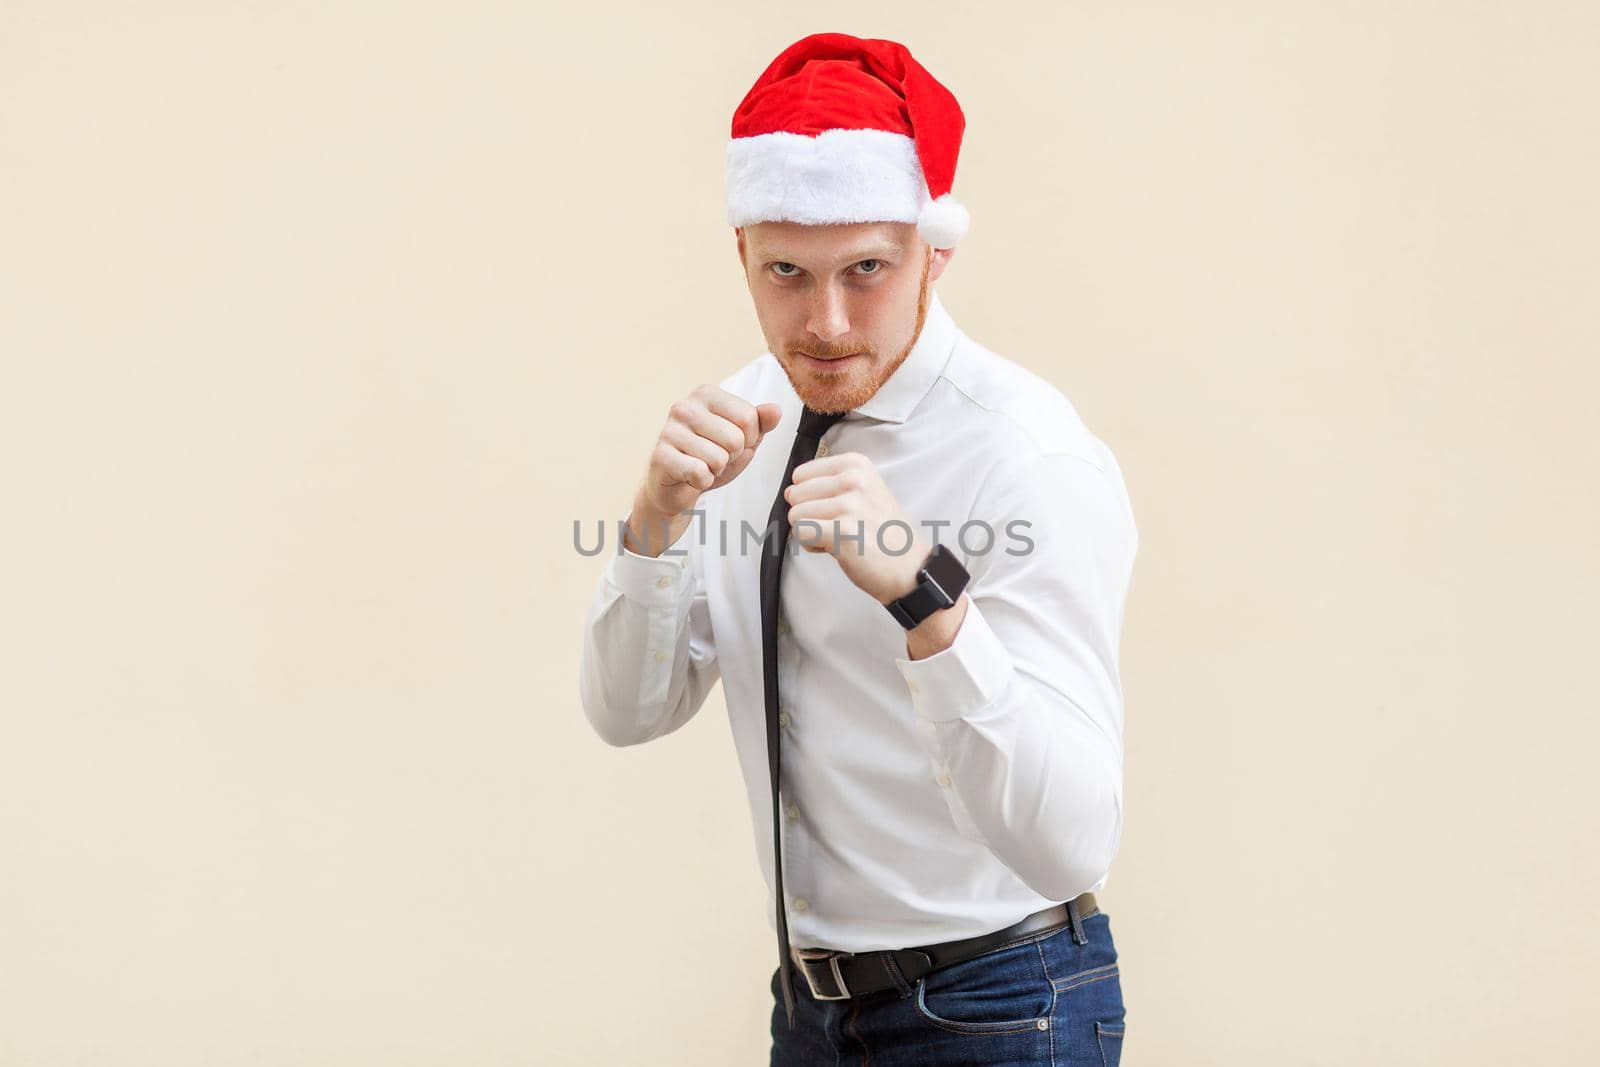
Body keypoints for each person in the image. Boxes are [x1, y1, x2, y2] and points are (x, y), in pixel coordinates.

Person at [579, 31, 1138, 1066]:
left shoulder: (1026, 454)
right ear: (740, 256)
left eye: (866, 270)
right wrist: (655, 518)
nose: (825, 321)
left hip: (1001, 1003)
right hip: (810, 1011)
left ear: (936, 252)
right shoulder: (736, 421)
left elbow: (1072, 841)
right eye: (786, 271)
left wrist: (924, 595)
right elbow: (627, 710)